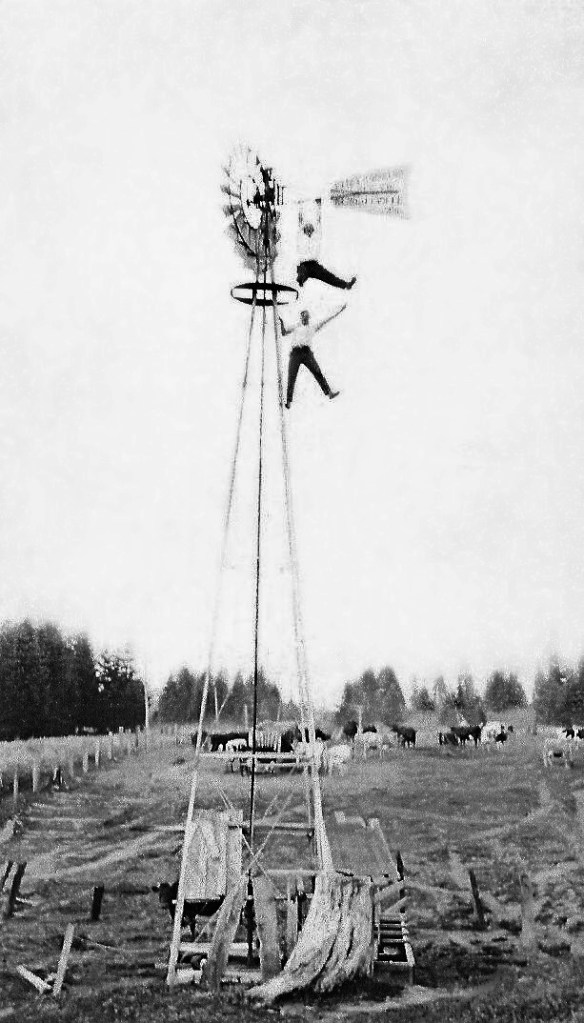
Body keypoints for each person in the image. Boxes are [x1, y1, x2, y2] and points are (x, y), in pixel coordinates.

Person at [279, 305, 346, 408]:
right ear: (301, 318)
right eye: (303, 316)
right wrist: (281, 322)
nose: (305, 318)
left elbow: (326, 319)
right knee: (291, 376)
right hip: (296, 353)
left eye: (306, 316)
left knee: (317, 372)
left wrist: (339, 311)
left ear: (308, 318)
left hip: (307, 353)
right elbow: (283, 333)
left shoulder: (312, 328)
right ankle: (288, 401)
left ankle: (329, 393)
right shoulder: (296, 326)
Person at [296, 223, 357, 290]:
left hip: (313, 264)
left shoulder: (315, 239)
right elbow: (299, 231)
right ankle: (300, 280)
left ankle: (346, 285)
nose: (309, 232)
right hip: (304, 264)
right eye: (307, 230)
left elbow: (318, 235)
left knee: (328, 276)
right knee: (302, 271)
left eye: (310, 230)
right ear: (304, 231)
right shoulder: (301, 238)